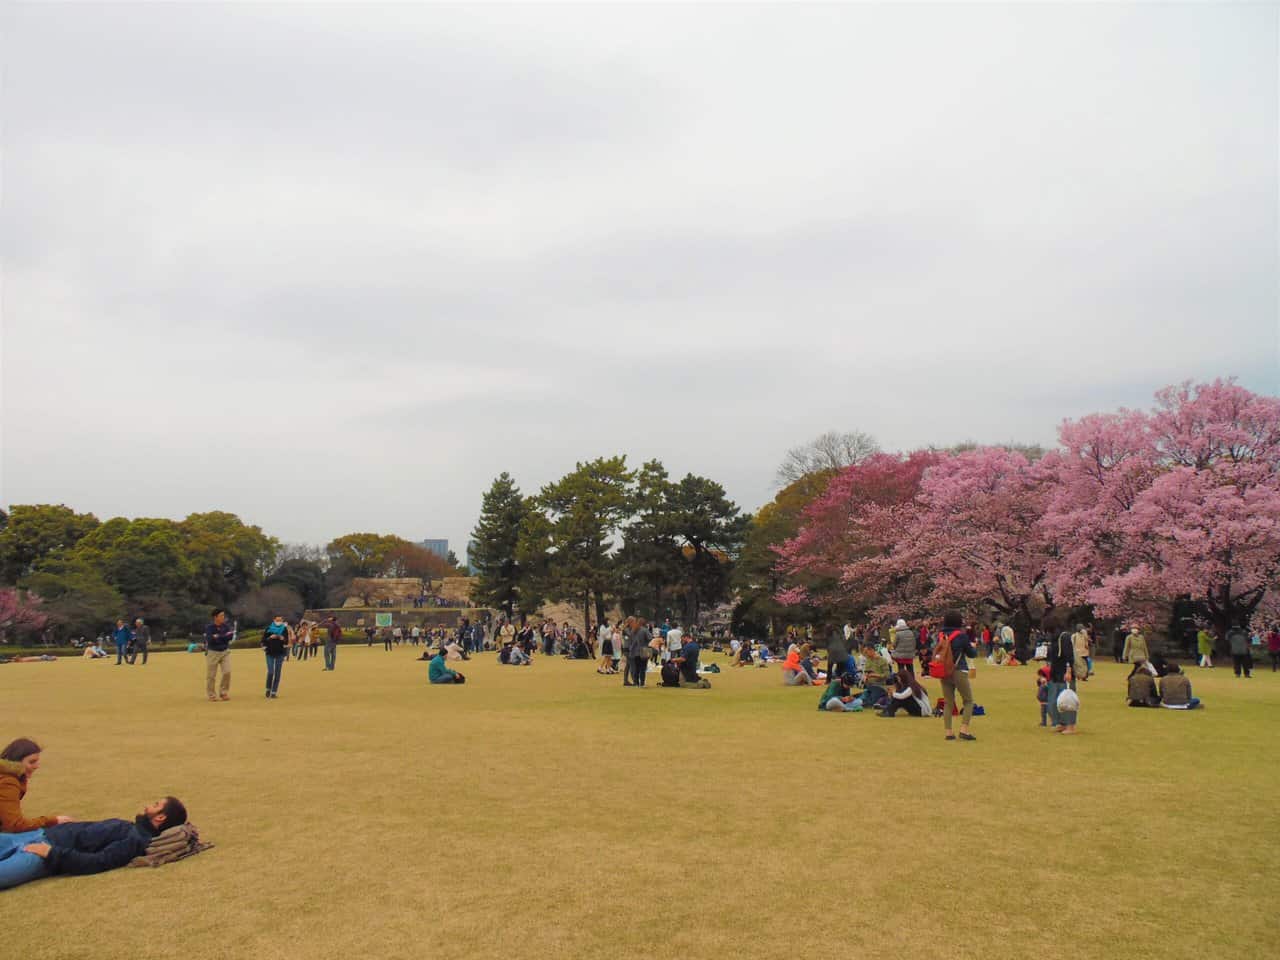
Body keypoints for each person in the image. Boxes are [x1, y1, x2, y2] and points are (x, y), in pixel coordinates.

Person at [0, 796, 187, 890]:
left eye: (155, 805)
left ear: (161, 817)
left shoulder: (136, 840)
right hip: (39, 834)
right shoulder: (130, 827)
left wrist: (51, 853)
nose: (148, 806)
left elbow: (97, 862)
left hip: (42, 854)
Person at [0, 739, 74, 834]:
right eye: (32, 762)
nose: (37, 766)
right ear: (17, 761)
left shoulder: (9, 776)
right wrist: (54, 820)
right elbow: (16, 825)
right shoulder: (8, 782)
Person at [935, 610, 979, 741]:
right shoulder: (961, 636)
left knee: (948, 702)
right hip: (959, 670)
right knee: (968, 701)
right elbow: (971, 654)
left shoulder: (941, 635)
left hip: (943, 671)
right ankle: (964, 730)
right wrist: (973, 646)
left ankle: (948, 732)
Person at [1045, 630, 1077, 734]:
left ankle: (1070, 725)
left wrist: (1068, 671)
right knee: (1054, 701)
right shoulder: (1053, 640)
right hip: (1055, 674)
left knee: (1067, 701)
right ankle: (1060, 723)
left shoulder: (1065, 637)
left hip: (1064, 675)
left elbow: (1069, 657)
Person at [203, 608, 234, 702]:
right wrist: (222, 636)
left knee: (227, 672)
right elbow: (210, 640)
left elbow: (230, 637)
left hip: (225, 652)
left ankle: (223, 692)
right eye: (221, 615)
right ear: (215, 617)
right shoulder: (209, 627)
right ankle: (211, 694)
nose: (223, 617)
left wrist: (218, 636)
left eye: (223, 615)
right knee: (211, 675)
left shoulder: (226, 626)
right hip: (213, 652)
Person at [261, 616, 289, 699]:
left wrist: (282, 638)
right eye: (277, 620)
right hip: (269, 652)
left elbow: (286, 641)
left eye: (280, 620)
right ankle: (268, 688)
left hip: (280, 653)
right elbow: (263, 640)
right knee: (270, 672)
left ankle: (274, 691)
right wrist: (270, 637)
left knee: (277, 673)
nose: (279, 621)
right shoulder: (268, 628)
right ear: (274, 620)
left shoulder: (284, 629)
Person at [624, 617, 652, 688]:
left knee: (636, 668)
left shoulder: (633, 630)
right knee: (643, 668)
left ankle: (636, 683)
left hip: (634, 651)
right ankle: (642, 683)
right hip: (644, 651)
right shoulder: (644, 630)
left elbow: (630, 640)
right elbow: (650, 638)